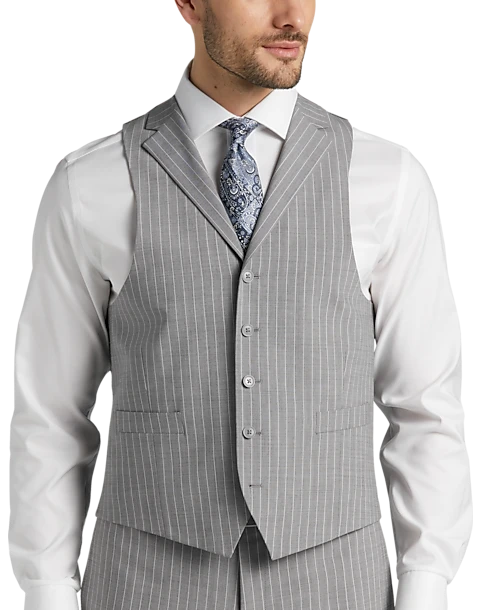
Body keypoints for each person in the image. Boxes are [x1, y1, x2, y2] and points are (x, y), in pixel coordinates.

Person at [8, 1, 472, 609]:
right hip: (146, 584)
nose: (291, 16)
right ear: (188, 4)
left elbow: (428, 407)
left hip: (334, 584)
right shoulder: (92, 183)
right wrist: (46, 592)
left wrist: (426, 588)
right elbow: (48, 413)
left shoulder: (388, 179)